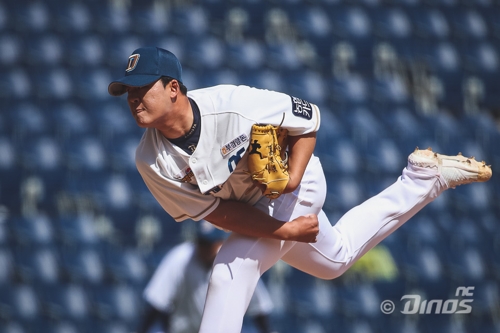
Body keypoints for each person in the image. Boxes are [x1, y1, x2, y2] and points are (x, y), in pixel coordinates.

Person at [108, 46, 492, 332]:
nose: (133, 99)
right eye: (127, 92)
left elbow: (308, 118)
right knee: (335, 259)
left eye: (142, 88)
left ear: (173, 88)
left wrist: (291, 179)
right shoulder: (150, 161)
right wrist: (286, 231)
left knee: (229, 271)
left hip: (298, 187)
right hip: (257, 212)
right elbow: (217, 214)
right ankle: (423, 179)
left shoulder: (233, 106)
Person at [136, 220, 275, 333]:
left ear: (221, 242)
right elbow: (156, 303)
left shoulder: (235, 262)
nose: (205, 248)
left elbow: (259, 309)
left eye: (210, 244)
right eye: (202, 243)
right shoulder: (181, 257)